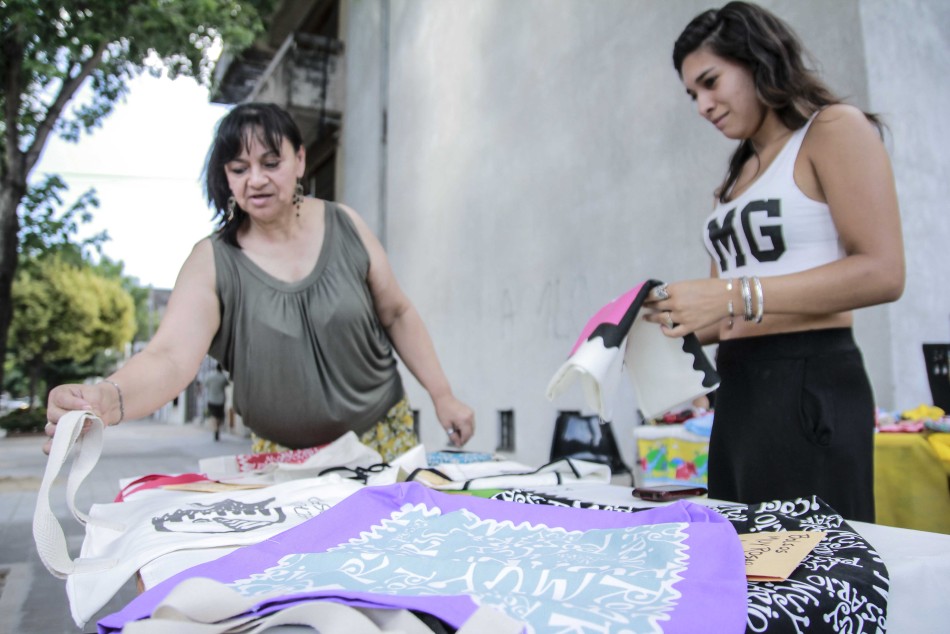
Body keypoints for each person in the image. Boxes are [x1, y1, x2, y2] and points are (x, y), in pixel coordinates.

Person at [45, 102, 475, 462]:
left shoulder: (346, 224)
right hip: (281, 461)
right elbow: (171, 357)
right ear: (227, 177)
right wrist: (107, 398)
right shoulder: (211, 261)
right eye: (239, 167)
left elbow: (397, 312)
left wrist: (442, 395)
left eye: (271, 162)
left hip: (384, 440)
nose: (256, 179)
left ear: (300, 160)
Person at [643, 2, 904, 522]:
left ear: (758, 59)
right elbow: (727, 313)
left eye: (712, 81)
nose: (703, 106)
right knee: (742, 570)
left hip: (810, 380)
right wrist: (658, 320)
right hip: (737, 392)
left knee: (813, 574)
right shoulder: (733, 181)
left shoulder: (832, 130)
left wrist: (731, 295)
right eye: (692, 94)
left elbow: (883, 270)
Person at [203, 364, 229, 441]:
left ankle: (215, 429)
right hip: (221, 400)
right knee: (219, 416)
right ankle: (217, 429)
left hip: (211, 399)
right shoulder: (223, 377)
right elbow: (227, 384)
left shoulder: (210, 376)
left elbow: (205, 384)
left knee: (213, 416)